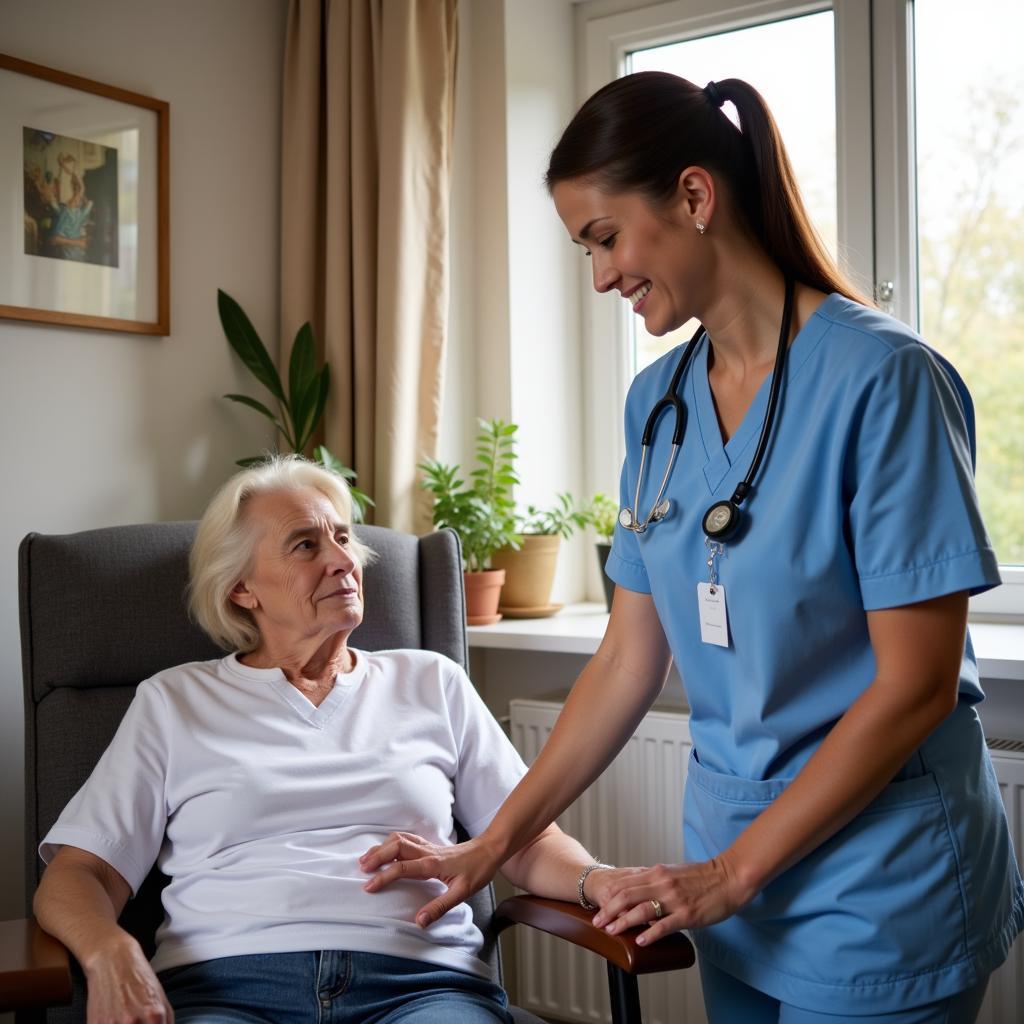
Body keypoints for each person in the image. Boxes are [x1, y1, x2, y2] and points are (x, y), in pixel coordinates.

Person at [359, 72, 1024, 1023]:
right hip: (730, 877)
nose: (598, 276)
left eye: (605, 237)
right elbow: (629, 658)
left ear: (695, 196)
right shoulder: (657, 406)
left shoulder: (886, 382)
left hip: (875, 876)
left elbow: (914, 685)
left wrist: (728, 875)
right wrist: (491, 844)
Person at [34, 456, 615, 1024]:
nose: (343, 560)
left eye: (342, 537)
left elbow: (529, 841)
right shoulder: (174, 702)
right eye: (305, 545)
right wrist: (109, 949)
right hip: (226, 988)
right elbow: (81, 875)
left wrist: (599, 882)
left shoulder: (430, 681)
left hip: (420, 985)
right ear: (242, 589)